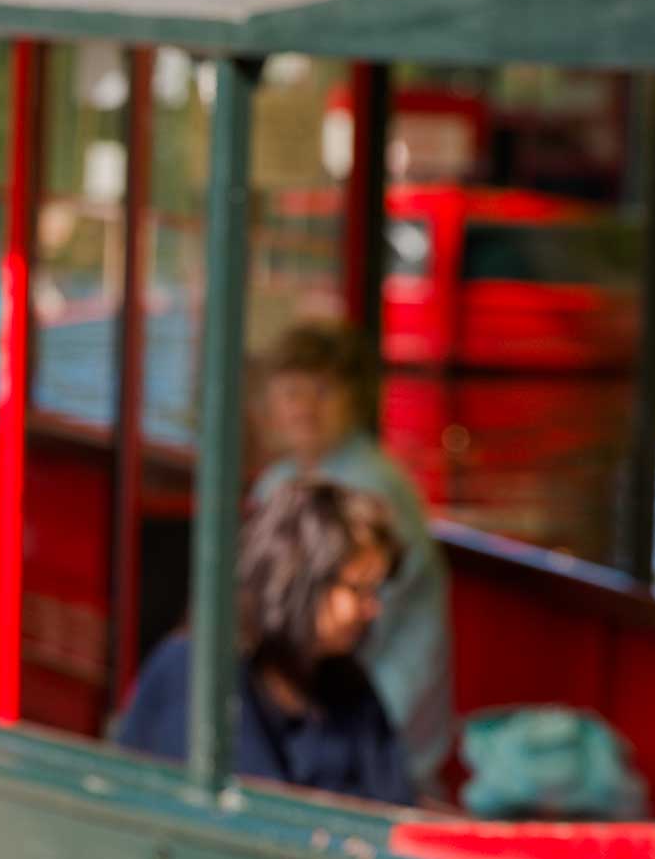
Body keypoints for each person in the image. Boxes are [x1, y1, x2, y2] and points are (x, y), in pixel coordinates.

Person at [118, 481, 415, 805]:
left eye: (375, 590)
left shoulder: (349, 687)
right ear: (299, 582)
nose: (373, 608)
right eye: (358, 590)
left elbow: (394, 804)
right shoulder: (195, 672)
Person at [252, 321, 454, 794]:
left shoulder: (373, 487)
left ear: (354, 399)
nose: (306, 408)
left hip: (387, 705)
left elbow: (354, 626)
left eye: (323, 391)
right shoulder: (276, 482)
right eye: (292, 393)